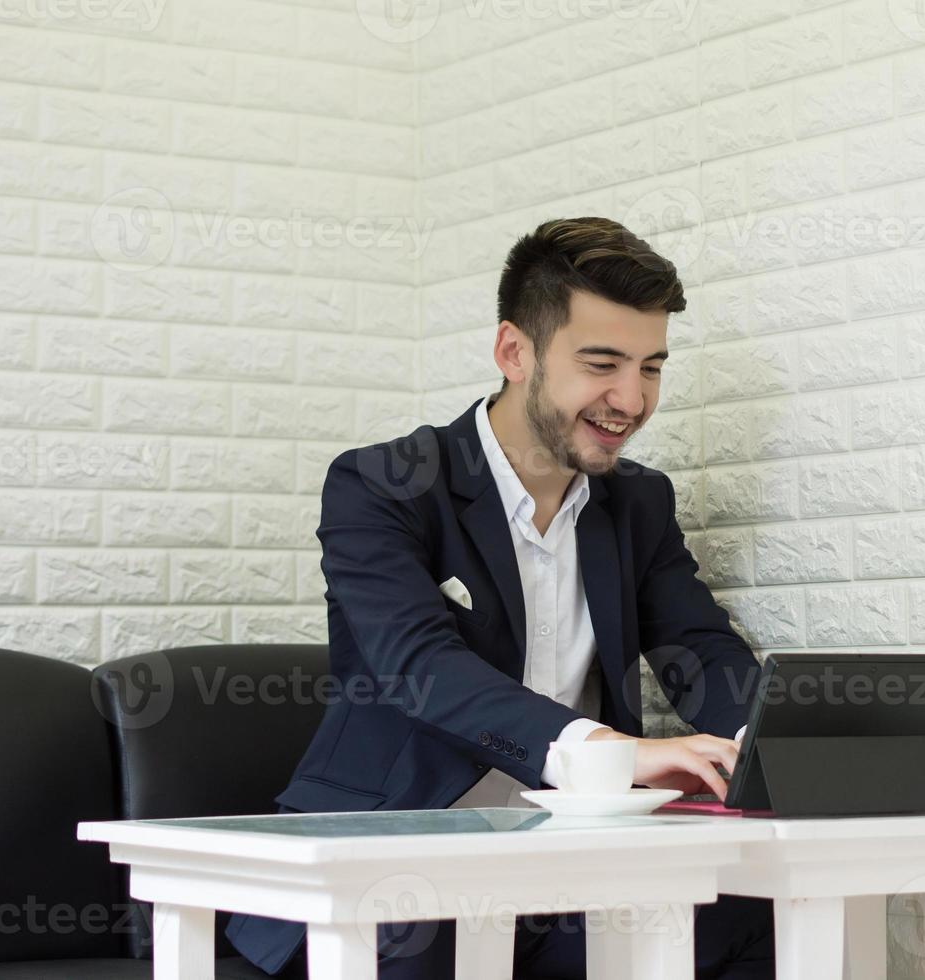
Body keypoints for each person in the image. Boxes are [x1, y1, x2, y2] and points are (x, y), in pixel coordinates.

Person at [226, 217, 774, 980]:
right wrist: (615, 754)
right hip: (401, 855)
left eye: (651, 366)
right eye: (602, 363)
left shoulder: (637, 504)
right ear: (514, 352)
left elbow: (701, 652)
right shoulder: (382, 486)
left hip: (568, 870)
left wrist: (774, 742)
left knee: (750, 916)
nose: (632, 398)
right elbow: (421, 667)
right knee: (439, 937)